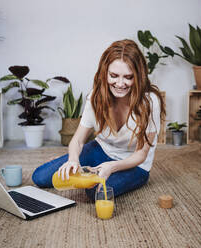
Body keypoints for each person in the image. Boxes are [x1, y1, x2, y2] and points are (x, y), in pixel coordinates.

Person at [32, 39, 166, 201]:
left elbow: (141, 154)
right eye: (114, 76)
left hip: (134, 165)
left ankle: (94, 171)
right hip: (100, 150)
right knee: (39, 177)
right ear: (105, 73)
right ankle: (80, 165)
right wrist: (73, 159)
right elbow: (78, 140)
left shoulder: (150, 102)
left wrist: (112, 166)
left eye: (128, 77)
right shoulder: (96, 97)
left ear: (138, 76)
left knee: (96, 193)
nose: (120, 84)